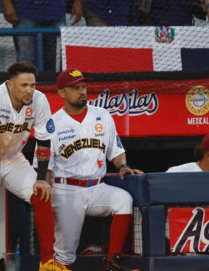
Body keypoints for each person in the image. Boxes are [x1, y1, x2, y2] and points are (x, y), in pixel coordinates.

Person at [49, 69, 144, 271]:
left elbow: (115, 151)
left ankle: (111, 262)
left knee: (123, 199)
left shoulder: (102, 115)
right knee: (65, 255)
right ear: (62, 93)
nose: (82, 91)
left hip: (96, 187)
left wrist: (123, 165)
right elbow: (45, 166)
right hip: (66, 190)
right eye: (75, 88)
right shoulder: (52, 124)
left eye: (83, 86)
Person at [0, 62, 57, 270]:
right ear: (10, 85)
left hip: (12, 158)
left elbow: (44, 141)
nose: (29, 90)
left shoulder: (39, 100)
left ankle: (48, 263)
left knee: (42, 195)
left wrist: (41, 178)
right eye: (24, 85)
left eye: (32, 85)